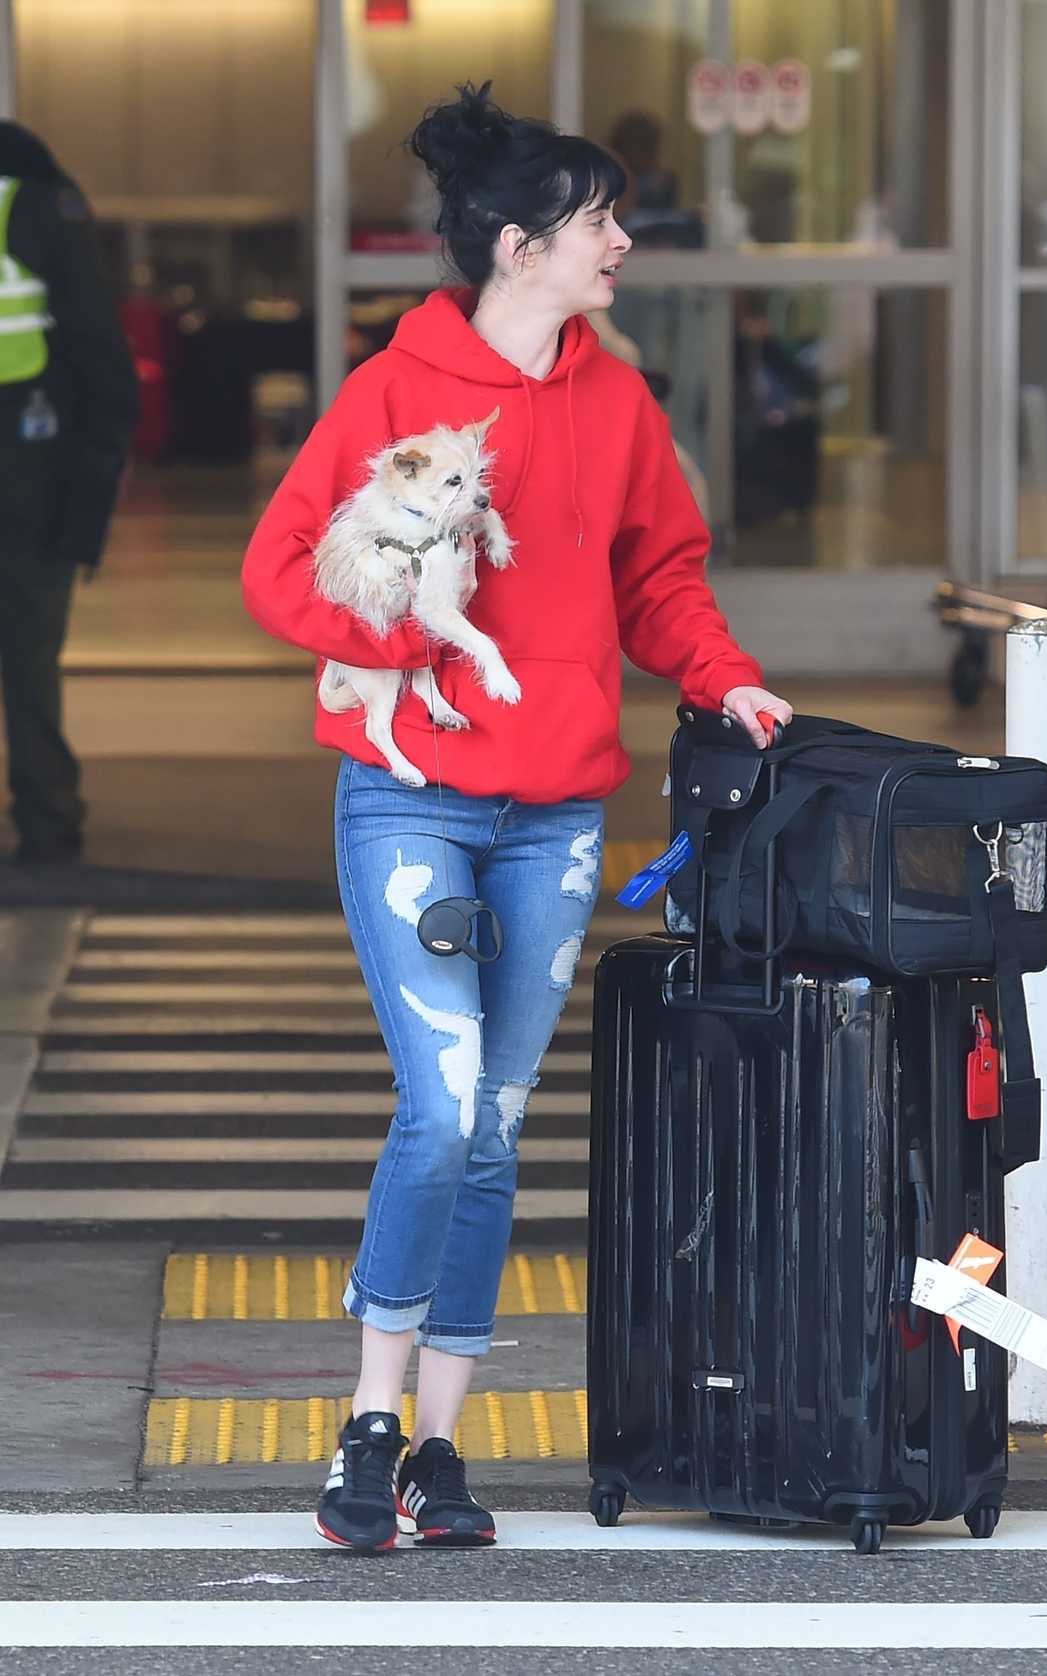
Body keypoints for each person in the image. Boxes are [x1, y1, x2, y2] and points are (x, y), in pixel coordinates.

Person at [241, 80, 792, 1553]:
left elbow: (659, 577)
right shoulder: (392, 393)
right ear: (513, 245)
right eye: (595, 220)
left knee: (492, 1125)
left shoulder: (615, 400)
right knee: (438, 1108)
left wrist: (727, 682)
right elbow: (278, 569)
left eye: (611, 217)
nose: (619, 240)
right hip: (410, 800)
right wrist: (407, 639)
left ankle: (437, 1448)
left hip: (553, 813)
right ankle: (366, 1416)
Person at [0, 122, 138, 865]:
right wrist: (90, 495)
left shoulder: (26, 187)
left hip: (29, 465)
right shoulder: (34, 192)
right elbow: (97, 351)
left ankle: (50, 814)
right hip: (29, 465)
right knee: (27, 657)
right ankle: (48, 822)